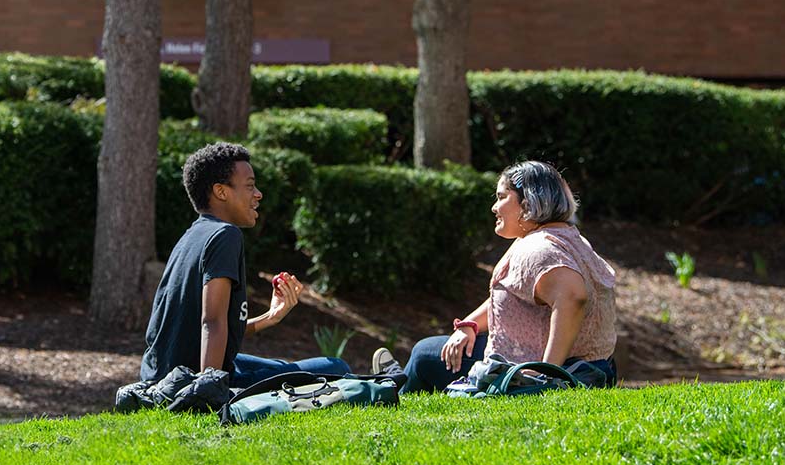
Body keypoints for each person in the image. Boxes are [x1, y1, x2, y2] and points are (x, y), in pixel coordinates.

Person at [140, 142, 352, 389]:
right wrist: (208, 391)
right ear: (221, 192)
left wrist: (271, 317)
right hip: (191, 380)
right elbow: (212, 321)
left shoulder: (192, 235)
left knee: (283, 367)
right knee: (337, 369)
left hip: (167, 373)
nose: (258, 194)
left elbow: (196, 329)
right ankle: (391, 380)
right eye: (250, 186)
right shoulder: (225, 235)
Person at [400, 160, 618, 393]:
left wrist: (545, 375)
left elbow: (573, 297)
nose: (495, 207)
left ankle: (389, 390)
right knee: (430, 351)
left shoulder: (539, 248)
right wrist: (469, 325)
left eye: (502, 197)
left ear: (528, 202)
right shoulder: (560, 236)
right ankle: (390, 381)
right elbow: (514, 289)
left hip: (567, 370)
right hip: (593, 366)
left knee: (425, 354)